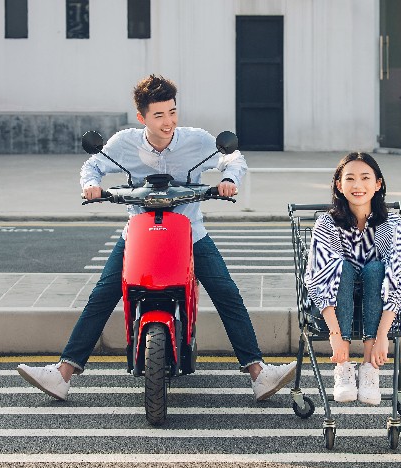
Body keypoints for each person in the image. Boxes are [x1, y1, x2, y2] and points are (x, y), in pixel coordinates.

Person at [17, 74, 296, 401]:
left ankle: (259, 374)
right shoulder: (124, 143)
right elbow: (93, 166)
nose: (169, 122)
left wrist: (229, 179)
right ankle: (62, 375)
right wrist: (91, 186)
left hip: (190, 234)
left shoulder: (197, 141)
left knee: (227, 294)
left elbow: (233, 158)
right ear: (142, 118)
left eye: (173, 112)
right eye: (159, 115)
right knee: (102, 296)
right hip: (138, 235)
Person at [304, 152, 401, 404]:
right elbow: (318, 279)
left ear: (378, 184)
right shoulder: (327, 224)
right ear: (339, 185)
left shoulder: (391, 224)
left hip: (378, 303)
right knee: (342, 268)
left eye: (365, 178)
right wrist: (335, 336)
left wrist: (383, 336)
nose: (358, 185)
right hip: (335, 305)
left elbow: (399, 276)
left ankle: (369, 366)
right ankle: (343, 367)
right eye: (350, 178)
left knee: (375, 269)